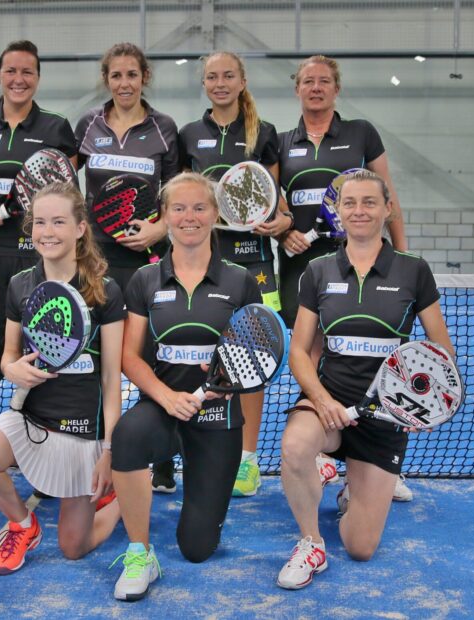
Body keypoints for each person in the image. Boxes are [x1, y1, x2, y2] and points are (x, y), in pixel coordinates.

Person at [276, 170, 455, 590]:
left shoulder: (413, 271)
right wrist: (322, 400)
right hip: (330, 402)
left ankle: (350, 491)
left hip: (386, 414)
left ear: (387, 209)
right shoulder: (317, 271)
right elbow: (299, 351)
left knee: (360, 547)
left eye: (369, 202)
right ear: (338, 211)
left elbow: (440, 349)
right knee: (295, 446)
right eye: (350, 203)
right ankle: (311, 543)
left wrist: (425, 403)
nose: (359, 211)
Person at [109, 173, 261, 601]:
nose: (188, 217)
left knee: (197, 548)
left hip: (218, 418)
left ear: (214, 214)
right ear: (165, 216)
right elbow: (129, 356)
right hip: (163, 409)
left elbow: (256, 351)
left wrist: (229, 380)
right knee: (127, 436)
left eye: (199, 208)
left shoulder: (240, 281)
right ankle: (139, 552)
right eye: (178, 208)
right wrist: (165, 397)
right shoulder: (144, 279)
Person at [0, 182, 124, 575]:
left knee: (73, 547)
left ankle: (127, 489)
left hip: (83, 430)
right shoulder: (20, 285)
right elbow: (7, 357)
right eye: (39, 222)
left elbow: (111, 379)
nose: (47, 232)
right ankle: (22, 524)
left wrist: (110, 452)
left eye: (58, 222)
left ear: (80, 228)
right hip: (31, 421)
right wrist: (11, 369)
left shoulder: (105, 290)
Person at [276, 55, 411, 501]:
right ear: (297, 89)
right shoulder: (282, 142)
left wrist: (402, 255)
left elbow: (388, 195)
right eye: (308, 81)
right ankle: (321, 448)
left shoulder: (361, 133)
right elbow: (277, 204)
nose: (316, 88)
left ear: (336, 88)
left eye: (324, 81)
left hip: (365, 261)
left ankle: (376, 460)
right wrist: (286, 232)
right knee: (312, 352)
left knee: (372, 349)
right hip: (304, 267)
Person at [178, 51, 290, 499]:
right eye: (212, 76)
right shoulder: (189, 135)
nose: (220, 83)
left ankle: (247, 459)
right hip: (201, 260)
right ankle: (193, 447)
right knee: (197, 350)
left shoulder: (265, 133)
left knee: (251, 357)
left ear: (242, 81)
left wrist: (281, 221)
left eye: (228, 75)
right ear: (204, 83)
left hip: (254, 263)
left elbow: (276, 200)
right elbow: (182, 198)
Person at [75, 42, 181, 494]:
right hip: (97, 259)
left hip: (147, 260)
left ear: (144, 78)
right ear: (107, 79)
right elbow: (67, 185)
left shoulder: (164, 128)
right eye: (116, 75)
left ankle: (161, 459)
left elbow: (175, 193)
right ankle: (97, 452)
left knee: (151, 357)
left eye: (132, 75)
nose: (124, 83)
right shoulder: (88, 125)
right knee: (97, 357)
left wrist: (159, 230)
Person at [0, 40, 77, 423]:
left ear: (37, 77)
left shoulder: (56, 127)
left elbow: (68, 193)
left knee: (44, 351)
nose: (18, 79)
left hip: (39, 258)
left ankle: (40, 439)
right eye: (11, 71)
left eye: (27, 71)